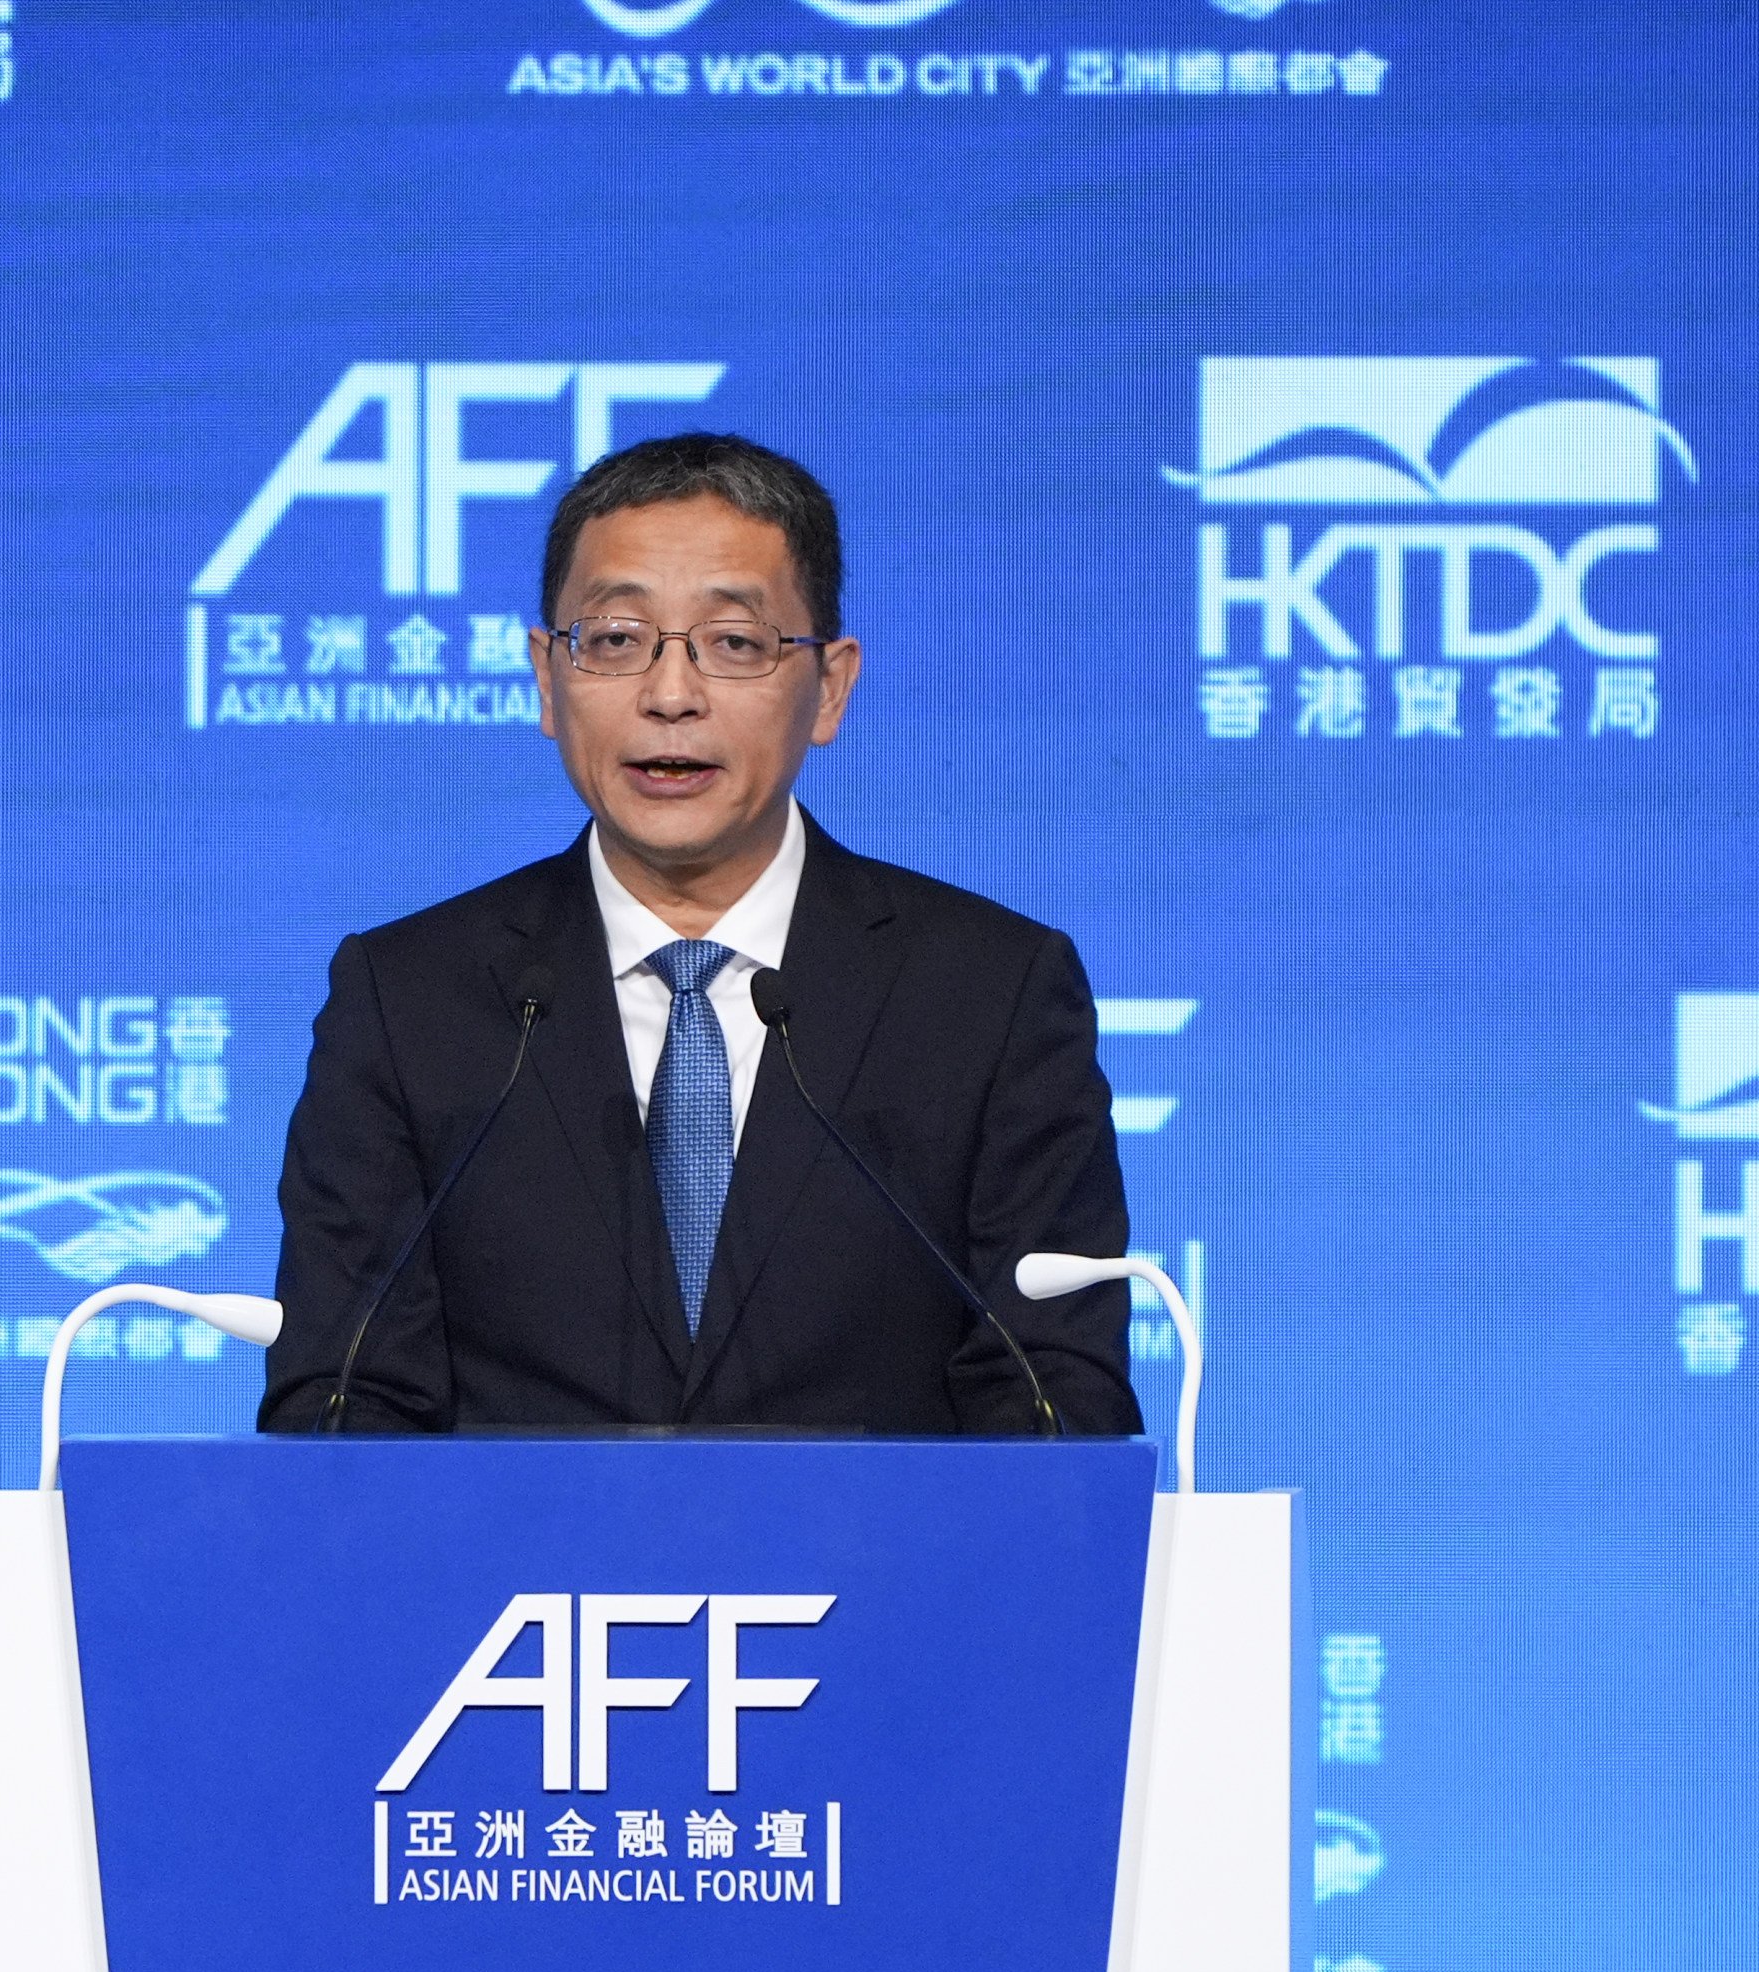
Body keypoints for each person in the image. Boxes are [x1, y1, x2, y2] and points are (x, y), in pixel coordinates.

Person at [256, 431, 1139, 1435]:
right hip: (517, 1593)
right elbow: (342, 1407)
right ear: (547, 678)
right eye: (616, 638)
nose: (670, 695)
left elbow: (1056, 1401)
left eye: (734, 643)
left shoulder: (989, 994)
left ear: (831, 686)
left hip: (879, 1590)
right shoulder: (410, 998)